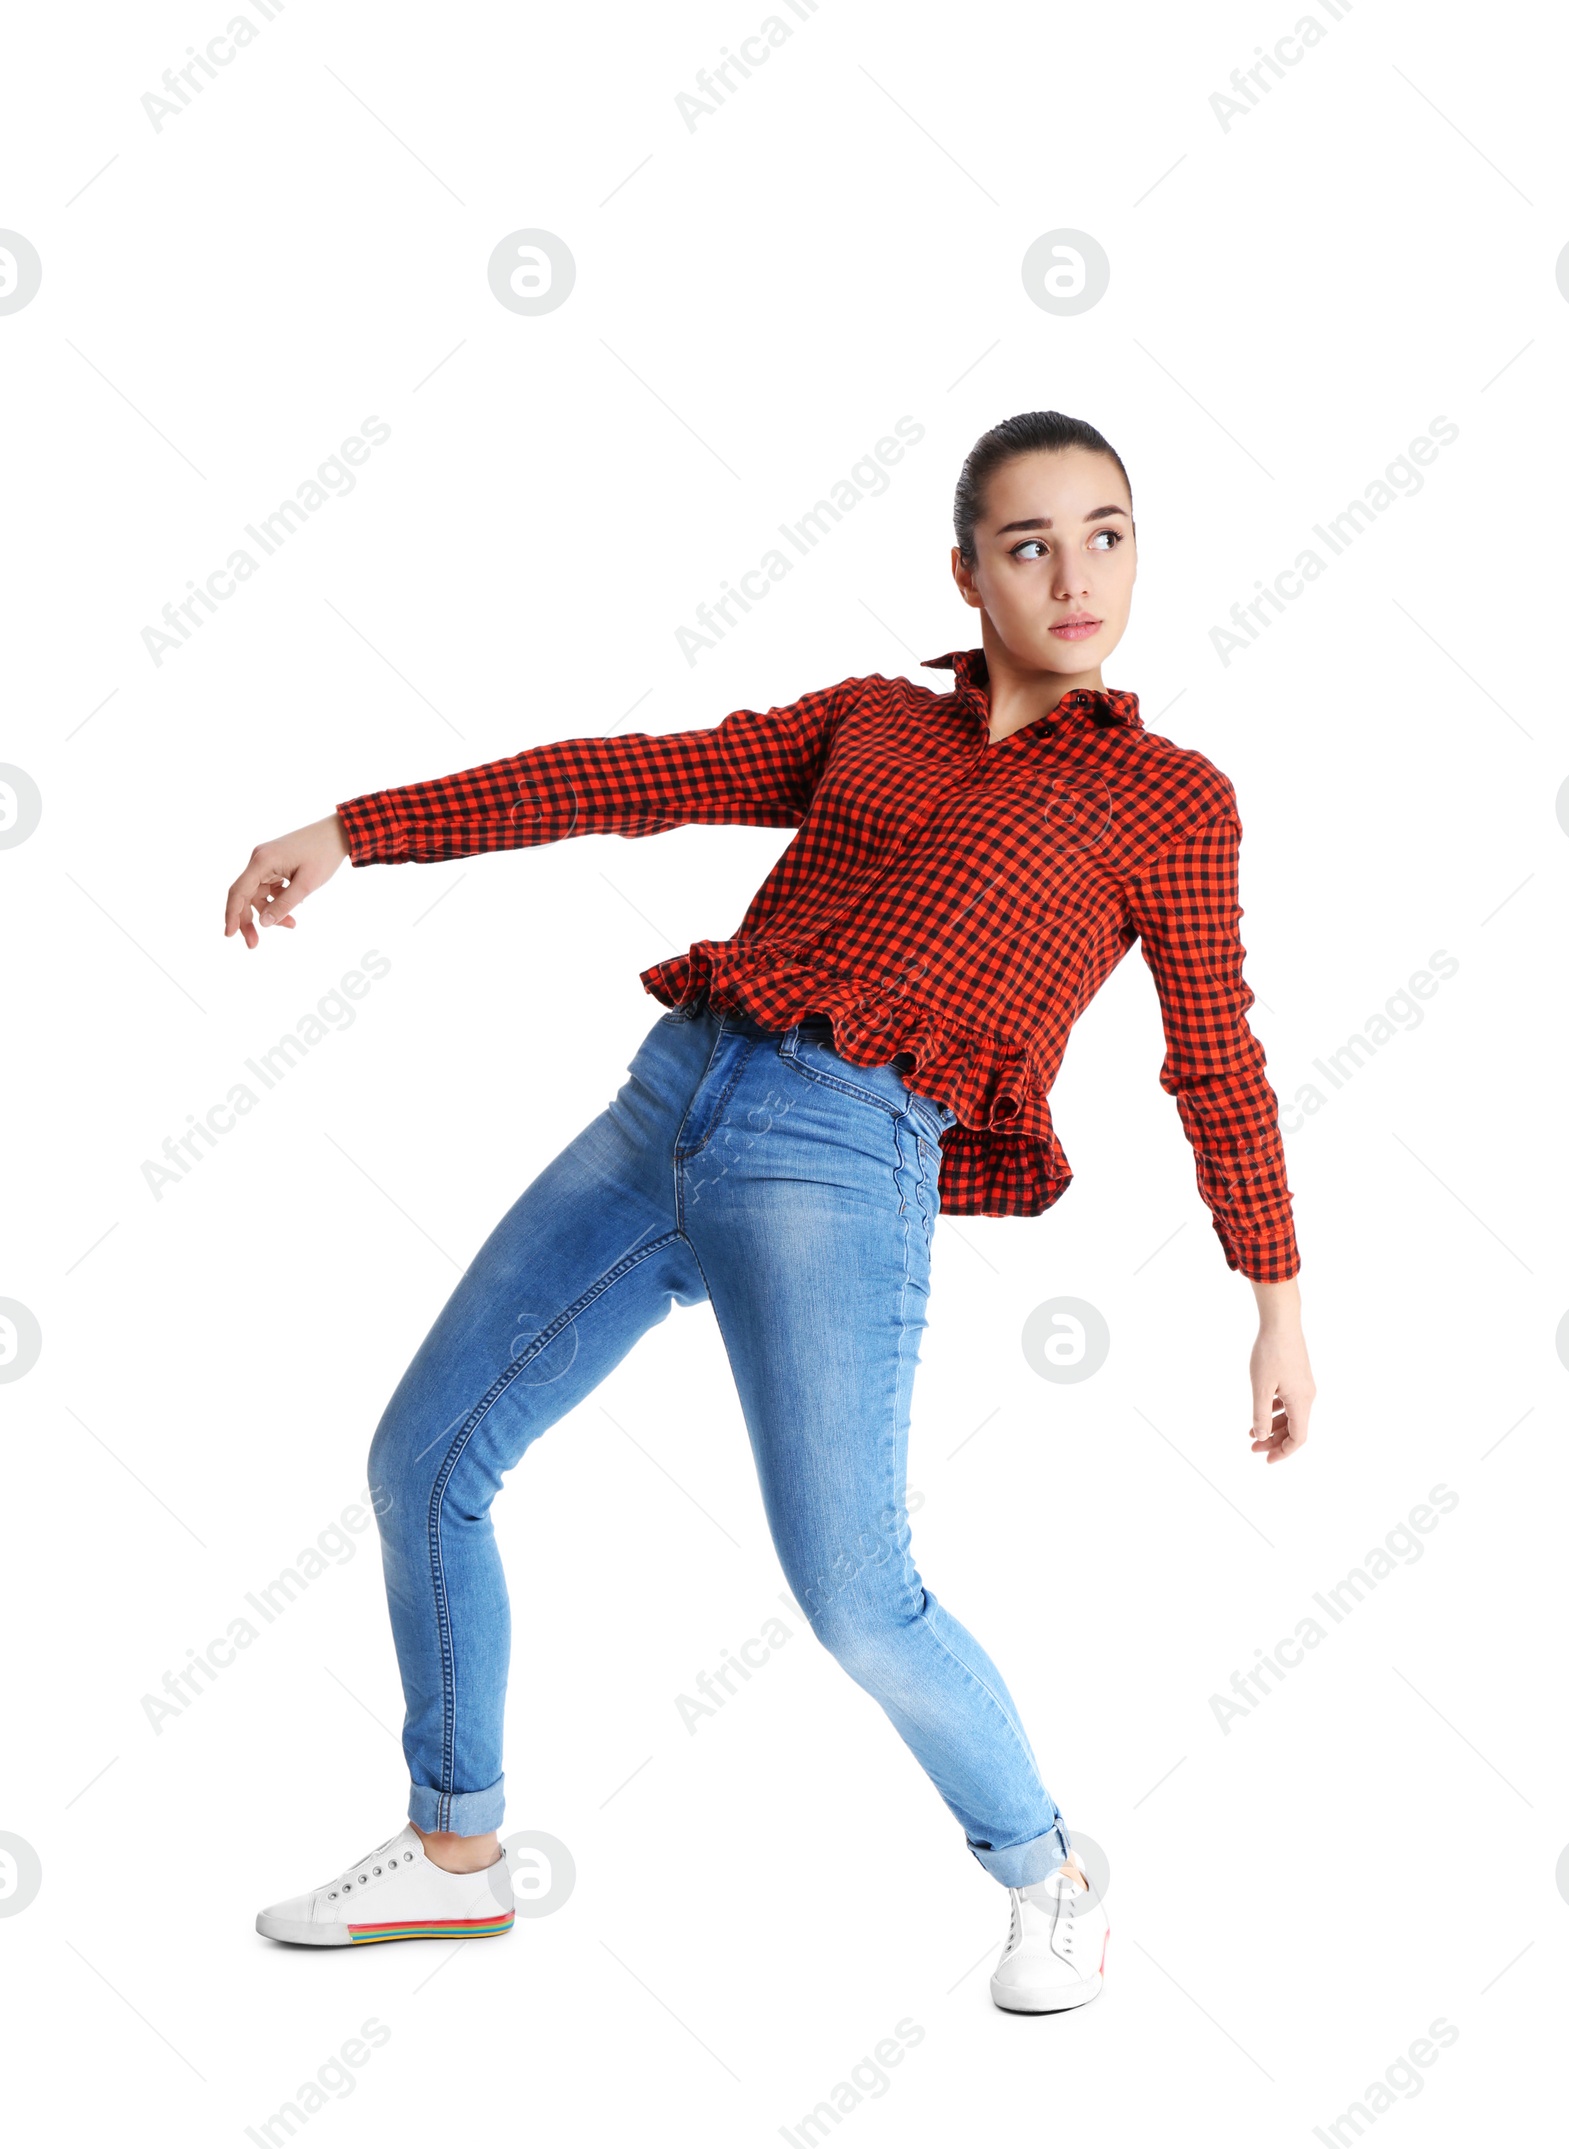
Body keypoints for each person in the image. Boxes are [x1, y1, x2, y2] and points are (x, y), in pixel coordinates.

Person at [230, 410, 1314, 2013]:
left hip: (845, 1167)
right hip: (666, 1103)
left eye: (1108, 534)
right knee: (424, 1461)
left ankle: (1051, 1870)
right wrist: (359, 829)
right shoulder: (871, 721)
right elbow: (635, 778)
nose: (1076, 575)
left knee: (855, 1593)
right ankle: (456, 1854)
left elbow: (1213, 1053)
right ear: (967, 569)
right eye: (1031, 543)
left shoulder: (1169, 801)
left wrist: (1274, 1298)